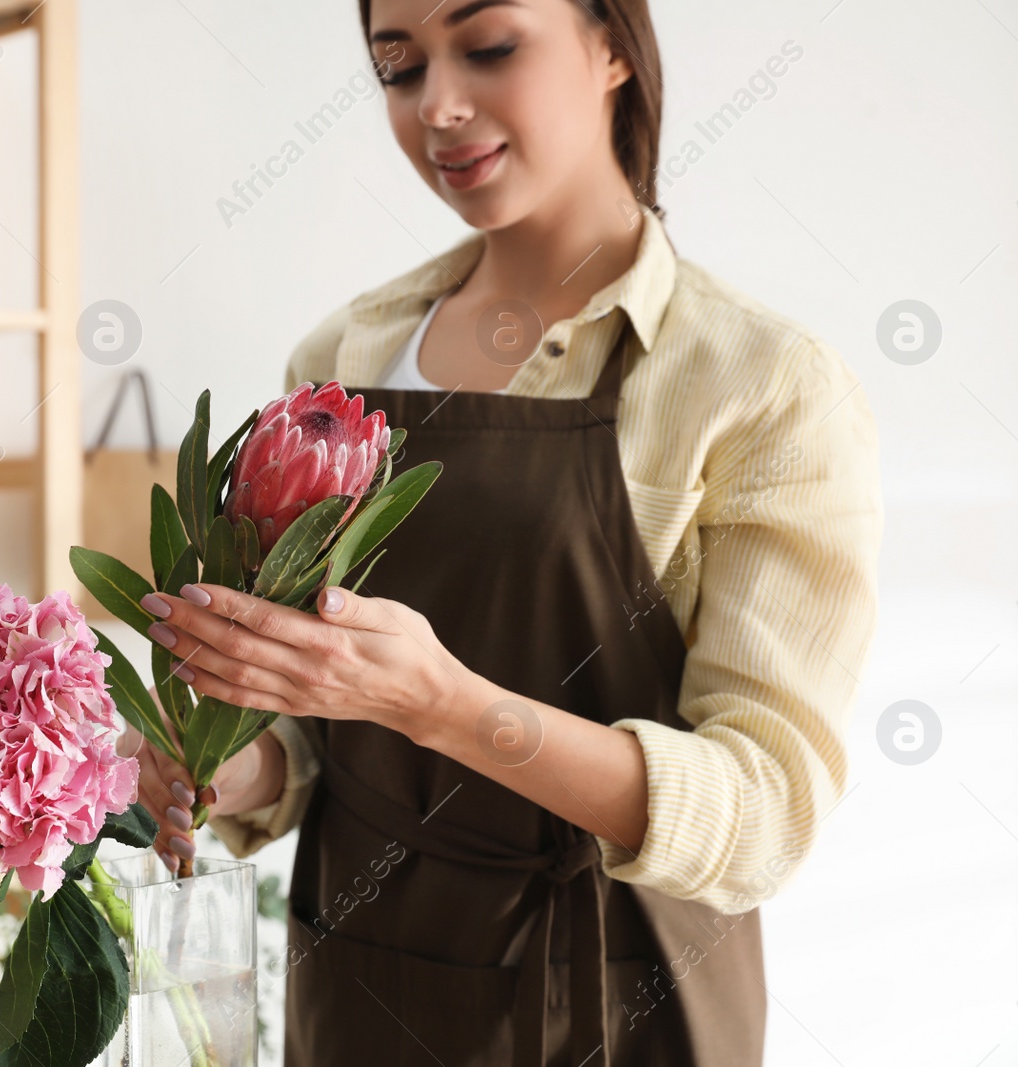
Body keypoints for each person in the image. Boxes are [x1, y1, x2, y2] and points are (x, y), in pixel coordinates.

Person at [116, 0, 882, 1063]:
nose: (437, 105)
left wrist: (444, 705)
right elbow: (321, 720)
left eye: (488, 47)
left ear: (613, 43)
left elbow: (762, 812)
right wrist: (237, 770)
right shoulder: (344, 356)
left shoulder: (756, 385)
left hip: (618, 997)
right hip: (358, 973)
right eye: (397, 64)